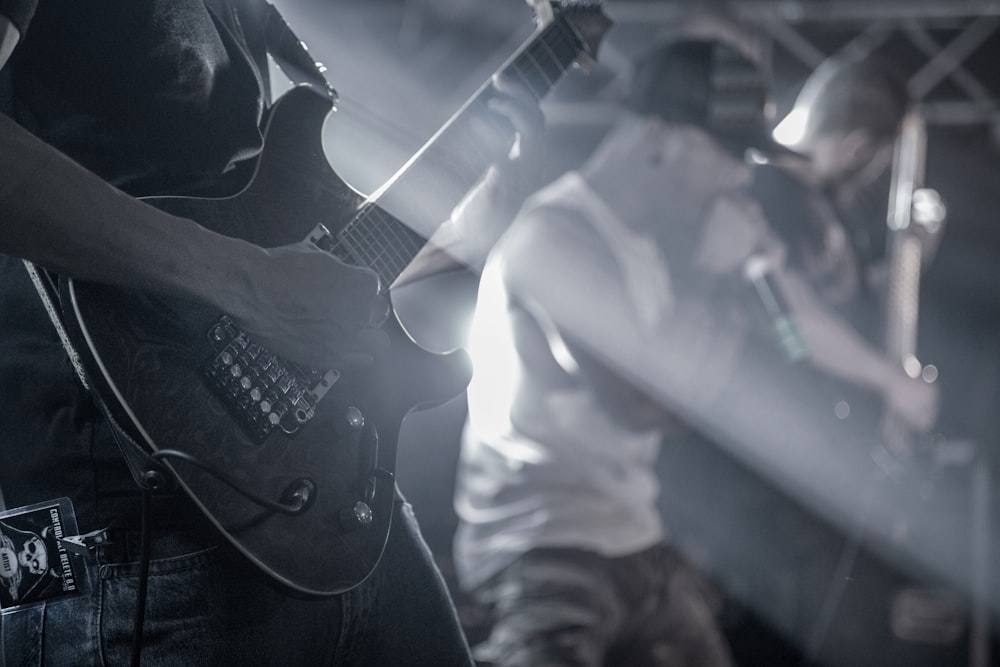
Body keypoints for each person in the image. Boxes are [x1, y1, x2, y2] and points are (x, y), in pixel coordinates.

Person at [0, 0, 542, 664]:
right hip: (139, 541)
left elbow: (313, 277)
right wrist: (246, 282)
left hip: (337, 500)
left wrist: (474, 227)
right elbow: (257, 280)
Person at [451, 37, 941, 667]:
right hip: (542, 550)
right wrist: (713, 279)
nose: (742, 176)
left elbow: (762, 357)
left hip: (630, 537)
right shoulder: (556, 238)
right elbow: (645, 403)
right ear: (658, 136)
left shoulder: (649, 245)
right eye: (730, 152)